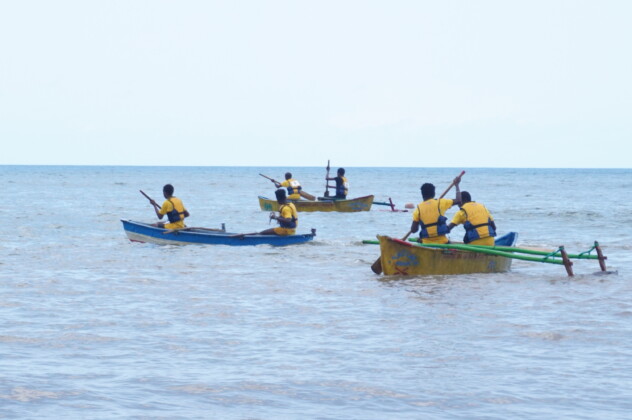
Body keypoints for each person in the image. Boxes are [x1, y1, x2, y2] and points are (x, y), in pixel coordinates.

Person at [410, 177, 461, 244]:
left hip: (426, 243)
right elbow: (459, 200)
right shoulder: (440, 202)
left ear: (422, 194)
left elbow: (413, 230)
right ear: (434, 193)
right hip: (442, 242)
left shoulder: (417, 210)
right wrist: (457, 185)